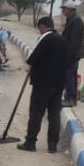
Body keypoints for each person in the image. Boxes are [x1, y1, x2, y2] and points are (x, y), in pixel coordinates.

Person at [18, 16, 68, 153]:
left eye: (39, 28)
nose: (39, 31)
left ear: (42, 26)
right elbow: (69, 63)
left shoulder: (45, 39)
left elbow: (32, 59)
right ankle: (52, 146)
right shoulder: (64, 41)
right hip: (58, 85)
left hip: (42, 84)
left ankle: (30, 143)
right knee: (54, 115)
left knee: (36, 113)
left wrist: (32, 63)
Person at [60, 2, 84, 106]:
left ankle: (70, 98)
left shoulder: (77, 21)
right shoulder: (71, 20)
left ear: (70, 9)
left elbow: (74, 41)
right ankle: (70, 97)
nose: (63, 11)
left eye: (64, 8)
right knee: (70, 75)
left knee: (70, 76)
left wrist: (68, 54)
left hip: (73, 54)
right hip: (70, 53)